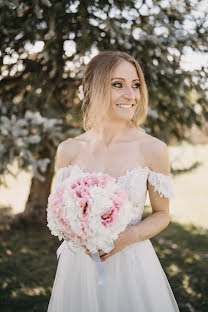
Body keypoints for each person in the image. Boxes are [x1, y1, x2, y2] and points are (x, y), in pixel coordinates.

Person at [47, 51, 180, 311]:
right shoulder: (68, 150)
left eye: (136, 84)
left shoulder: (153, 149)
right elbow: (60, 211)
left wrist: (127, 237)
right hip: (78, 268)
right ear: (91, 89)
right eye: (117, 84)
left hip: (132, 263)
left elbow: (162, 213)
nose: (131, 95)